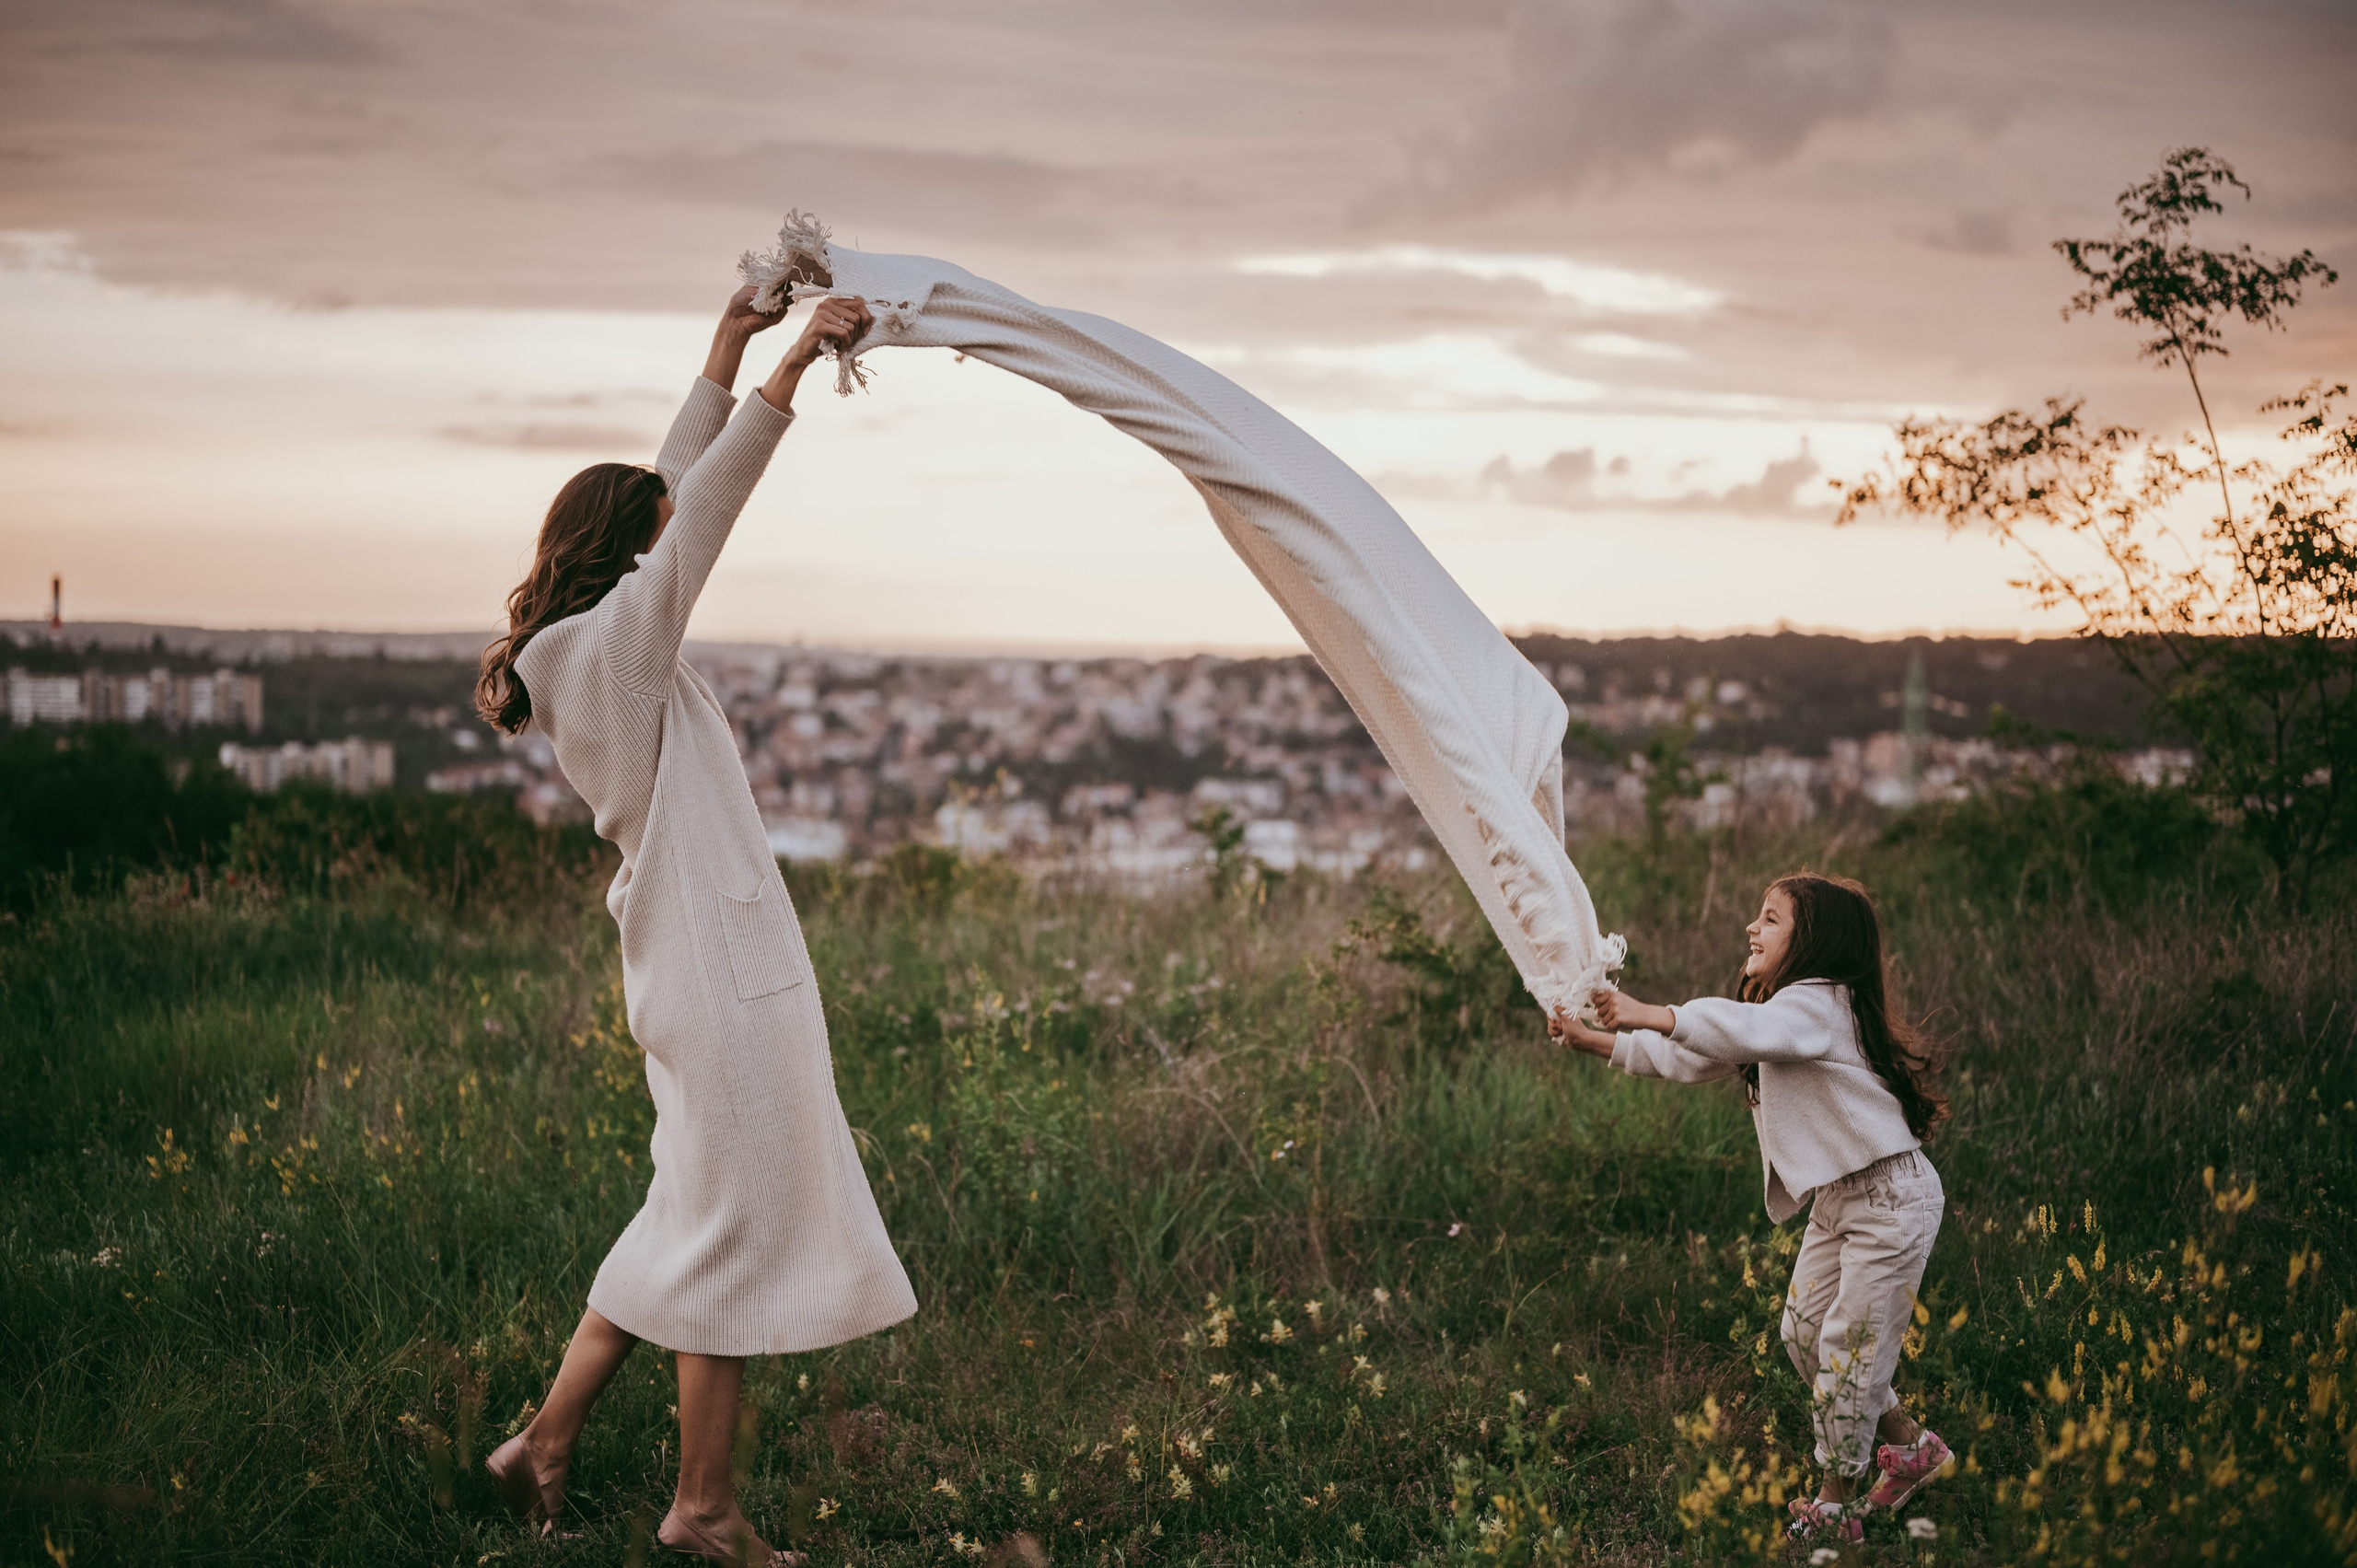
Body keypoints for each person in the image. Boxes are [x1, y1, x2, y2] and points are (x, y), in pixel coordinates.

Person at [472, 285, 914, 1565]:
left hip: (690, 952)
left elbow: (672, 488)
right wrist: (790, 368)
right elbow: (704, 505)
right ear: (629, 552)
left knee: (690, 1214)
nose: (670, 534)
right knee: (724, 1230)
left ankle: (539, 1444)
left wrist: (728, 341)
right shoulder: (615, 647)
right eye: (654, 533)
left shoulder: (587, 641)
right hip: (715, 967)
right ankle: (703, 1508)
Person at [1550, 872, 1951, 1545]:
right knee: (1804, 1334)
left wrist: (1649, 1009)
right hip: (1841, 1199)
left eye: (1770, 918)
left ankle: (1835, 1510)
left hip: (1890, 1199)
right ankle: (1912, 1449)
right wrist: (1591, 1037)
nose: (1751, 928)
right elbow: (1692, 1056)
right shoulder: (1783, 1017)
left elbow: (1738, 1026)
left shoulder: (1820, 1005)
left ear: (1813, 941)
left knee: (1846, 1351)